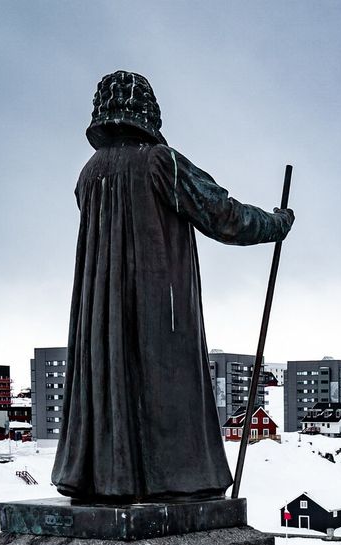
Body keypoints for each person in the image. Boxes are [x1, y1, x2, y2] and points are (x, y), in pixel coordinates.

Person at [52, 70, 294, 503]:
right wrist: (276, 224)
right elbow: (221, 213)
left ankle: (109, 481)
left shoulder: (88, 174)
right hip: (157, 308)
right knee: (167, 387)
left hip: (101, 317)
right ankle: (178, 480)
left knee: (110, 384)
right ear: (147, 111)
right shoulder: (159, 161)